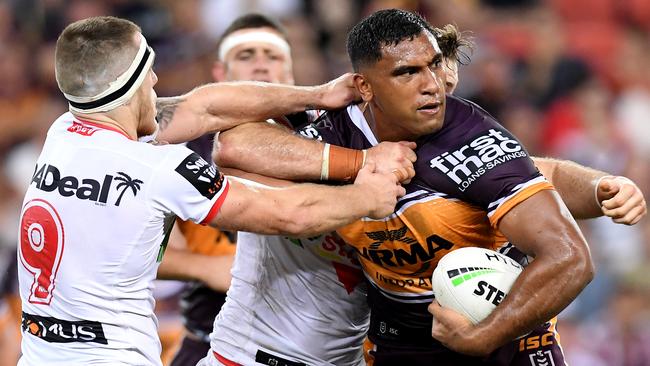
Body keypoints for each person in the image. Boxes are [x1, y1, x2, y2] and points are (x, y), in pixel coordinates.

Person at [210, 9, 646, 366]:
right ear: (363, 86)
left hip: (504, 333)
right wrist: (358, 159)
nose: (432, 85)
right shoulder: (334, 130)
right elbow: (232, 145)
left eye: (435, 65)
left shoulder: (471, 140)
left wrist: (484, 335)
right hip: (399, 341)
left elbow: (570, 256)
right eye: (407, 73)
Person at [16, 16, 408, 366]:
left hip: (39, 354)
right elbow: (286, 214)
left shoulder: (64, 132)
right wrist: (366, 191)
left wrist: (317, 95)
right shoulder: (160, 169)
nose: (155, 80)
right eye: (149, 70)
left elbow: (202, 107)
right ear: (132, 82)